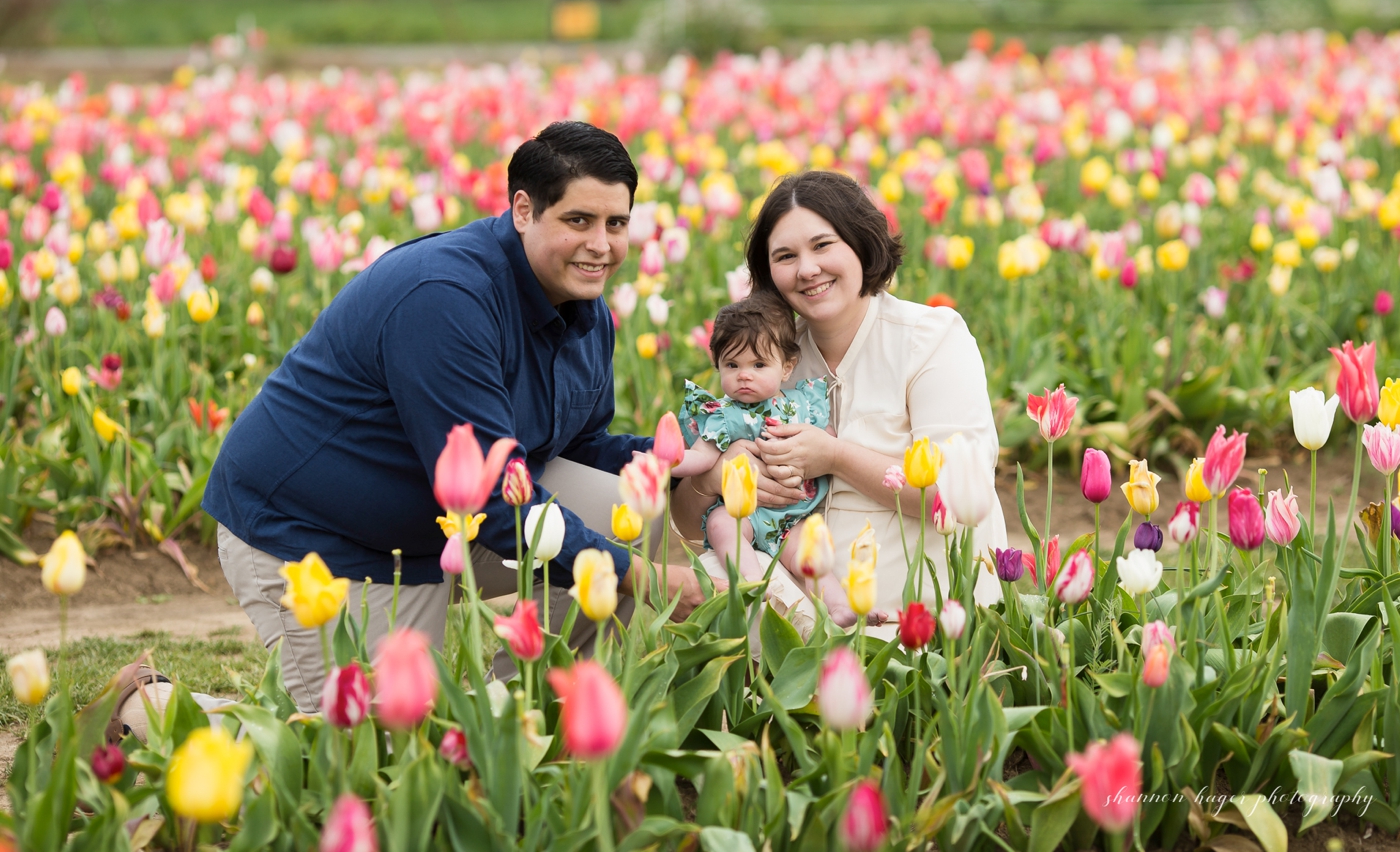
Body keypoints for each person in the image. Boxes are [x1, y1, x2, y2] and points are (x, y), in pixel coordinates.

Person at [205, 120, 714, 712]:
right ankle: (151, 708)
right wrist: (648, 578)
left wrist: (686, 462)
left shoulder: (583, 308)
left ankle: (518, 710)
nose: (601, 245)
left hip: (437, 524)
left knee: (627, 508)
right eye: (578, 221)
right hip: (316, 536)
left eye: (616, 224)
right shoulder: (444, 297)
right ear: (523, 210)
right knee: (369, 746)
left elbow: (571, 447)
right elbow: (495, 503)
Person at [671, 169, 1006, 626]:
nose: (807, 269)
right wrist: (716, 478)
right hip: (802, 603)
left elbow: (957, 494)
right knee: (714, 581)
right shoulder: (771, 360)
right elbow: (692, 524)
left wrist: (835, 456)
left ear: (860, 243)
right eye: (785, 255)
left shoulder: (931, 341)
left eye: (823, 245)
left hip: (921, 616)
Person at [672, 292, 873, 623]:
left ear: (786, 367)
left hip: (792, 514)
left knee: (808, 555)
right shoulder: (723, 414)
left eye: (758, 365)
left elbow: (828, 440)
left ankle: (839, 607)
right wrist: (668, 460)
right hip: (745, 513)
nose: (744, 375)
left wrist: (827, 447)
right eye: (732, 365)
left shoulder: (802, 406)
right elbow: (701, 459)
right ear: (717, 364)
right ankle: (752, 581)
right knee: (722, 523)